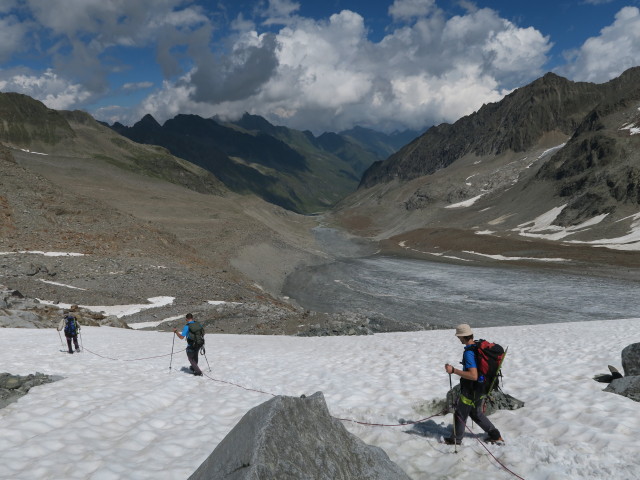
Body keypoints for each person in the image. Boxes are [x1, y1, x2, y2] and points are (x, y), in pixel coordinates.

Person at [443, 323, 503, 445]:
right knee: (475, 413)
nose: (458, 338)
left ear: (463, 336)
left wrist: (453, 370)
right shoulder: (477, 347)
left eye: (459, 336)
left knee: (460, 413)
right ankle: (495, 435)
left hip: (471, 389)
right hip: (482, 387)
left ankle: (456, 439)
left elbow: (473, 375)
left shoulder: (469, 353)